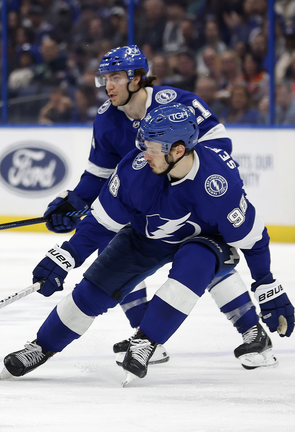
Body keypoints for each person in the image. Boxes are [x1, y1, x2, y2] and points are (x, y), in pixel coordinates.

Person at [1, 103, 295, 383]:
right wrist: (67, 254)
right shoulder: (135, 169)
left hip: (206, 242)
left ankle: (147, 340)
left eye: (153, 148)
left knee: (195, 261)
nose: (145, 154)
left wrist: (266, 283)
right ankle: (42, 346)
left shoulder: (218, 184)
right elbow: (100, 222)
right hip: (147, 237)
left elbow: (254, 239)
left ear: (178, 150)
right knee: (93, 291)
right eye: (144, 145)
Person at [34, 45, 271, 368]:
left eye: (116, 77)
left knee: (202, 258)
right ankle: (145, 337)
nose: (108, 86)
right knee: (114, 253)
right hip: (145, 201)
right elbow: (99, 174)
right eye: (105, 78)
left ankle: (252, 330)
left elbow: (219, 150)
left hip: (194, 200)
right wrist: (74, 202)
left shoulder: (180, 103)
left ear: (138, 78)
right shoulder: (106, 118)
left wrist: (176, 188)